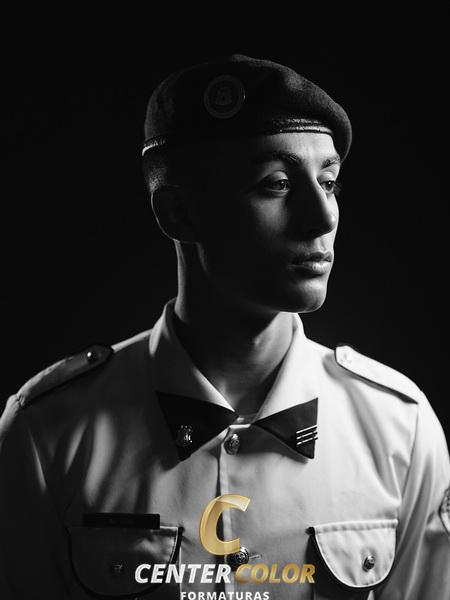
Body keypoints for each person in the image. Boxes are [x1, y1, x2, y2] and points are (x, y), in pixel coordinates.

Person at [0, 54, 449, 600]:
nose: (324, 216)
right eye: (277, 184)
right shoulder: (48, 433)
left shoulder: (401, 428)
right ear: (178, 213)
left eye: (329, 182)